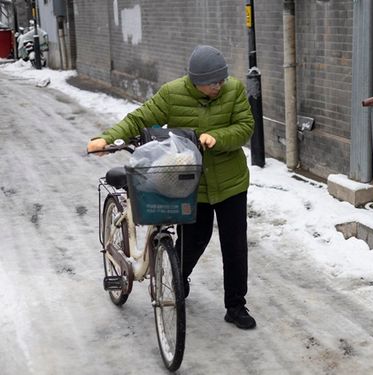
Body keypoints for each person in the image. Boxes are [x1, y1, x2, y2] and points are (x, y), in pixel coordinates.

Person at [87, 45, 257, 329]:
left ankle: (236, 305)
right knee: (194, 240)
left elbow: (245, 126)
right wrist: (107, 138)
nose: (218, 86)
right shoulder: (172, 93)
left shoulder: (234, 90)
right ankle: (178, 279)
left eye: (221, 80)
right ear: (194, 81)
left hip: (231, 183)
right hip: (190, 183)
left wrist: (217, 136)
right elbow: (139, 118)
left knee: (235, 245)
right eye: (211, 82)